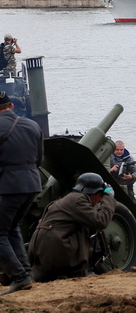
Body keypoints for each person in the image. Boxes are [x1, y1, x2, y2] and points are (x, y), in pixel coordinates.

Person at [29, 173, 116, 282]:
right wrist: (108, 198)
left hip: (43, 253)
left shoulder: (67, 200)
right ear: (95, 193)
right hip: (56, 253)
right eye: (100, 196)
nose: (99, 200)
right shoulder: (78, 200)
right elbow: (101, 221)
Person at [0, 91, 43, 296]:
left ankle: (19, 276)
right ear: (11, 106)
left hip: (9, 186)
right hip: (32, 184)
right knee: (11, 228)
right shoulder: (32, 125)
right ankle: (26, 273)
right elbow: (40, 160)